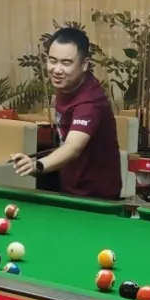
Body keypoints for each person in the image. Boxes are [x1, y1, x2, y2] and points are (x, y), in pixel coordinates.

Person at [9, 26, 121, 198]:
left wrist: (37, 165)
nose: (57, 70)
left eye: (66, 63)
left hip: (96, 196)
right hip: (71, 186)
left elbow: (73, 147)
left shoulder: (90, 101)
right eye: (52, 60)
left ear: (84, 64)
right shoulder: (69, 85)